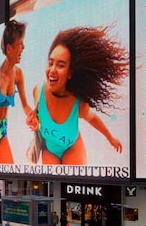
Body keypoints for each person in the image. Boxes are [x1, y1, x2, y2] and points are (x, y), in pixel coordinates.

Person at [27, 26, 128, 165]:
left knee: (73, 182)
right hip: (49, 150)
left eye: (60, 65)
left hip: (72, 148)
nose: (52, 70)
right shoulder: (38, 91)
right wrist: (33, 120)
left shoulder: (78, 104)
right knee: (54, 183)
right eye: (50, 63)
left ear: (70, 73)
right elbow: (37, 114)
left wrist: (110, 138)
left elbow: (93, 119)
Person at [0, 21, 32, 164]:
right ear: (9, 48)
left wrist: (33, 115)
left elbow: (26, 106)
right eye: (20, 43)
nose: (23, 47)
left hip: (3, 128)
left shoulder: (19, 74)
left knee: (9, 168)